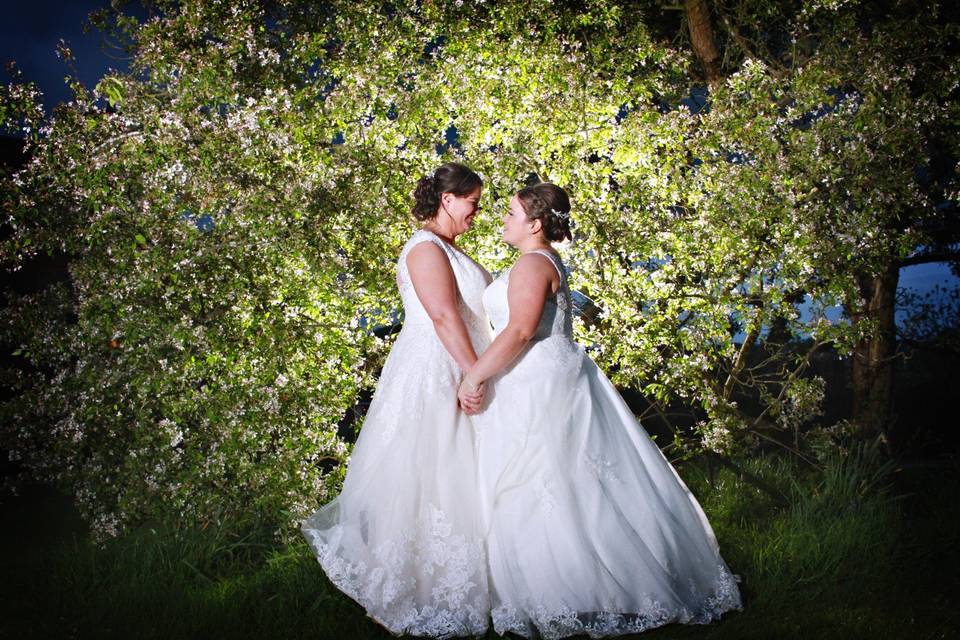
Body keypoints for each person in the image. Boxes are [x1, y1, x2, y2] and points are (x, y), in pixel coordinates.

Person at [458, 183, 742, 639]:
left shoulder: (533, 262)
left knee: (542, 481)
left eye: (511, 213)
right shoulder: (538, 260)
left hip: (537, 381)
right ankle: (565, 587)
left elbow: (520, 332)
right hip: (543, 377)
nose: (503, 219)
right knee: (562, 483)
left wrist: (474, 376)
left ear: (534, 223)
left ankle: (568, 593)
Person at [302, 163, 492, 638]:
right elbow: (445, 318)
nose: (478, 211)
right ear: (448, 200)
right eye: (472, 201)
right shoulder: (425, 249)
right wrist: (475, 374)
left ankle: (457, 579)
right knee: (428, 475)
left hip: (461, 363)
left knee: (460, 476)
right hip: (437, 370)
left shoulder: (450, 248)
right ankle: (402, 592)